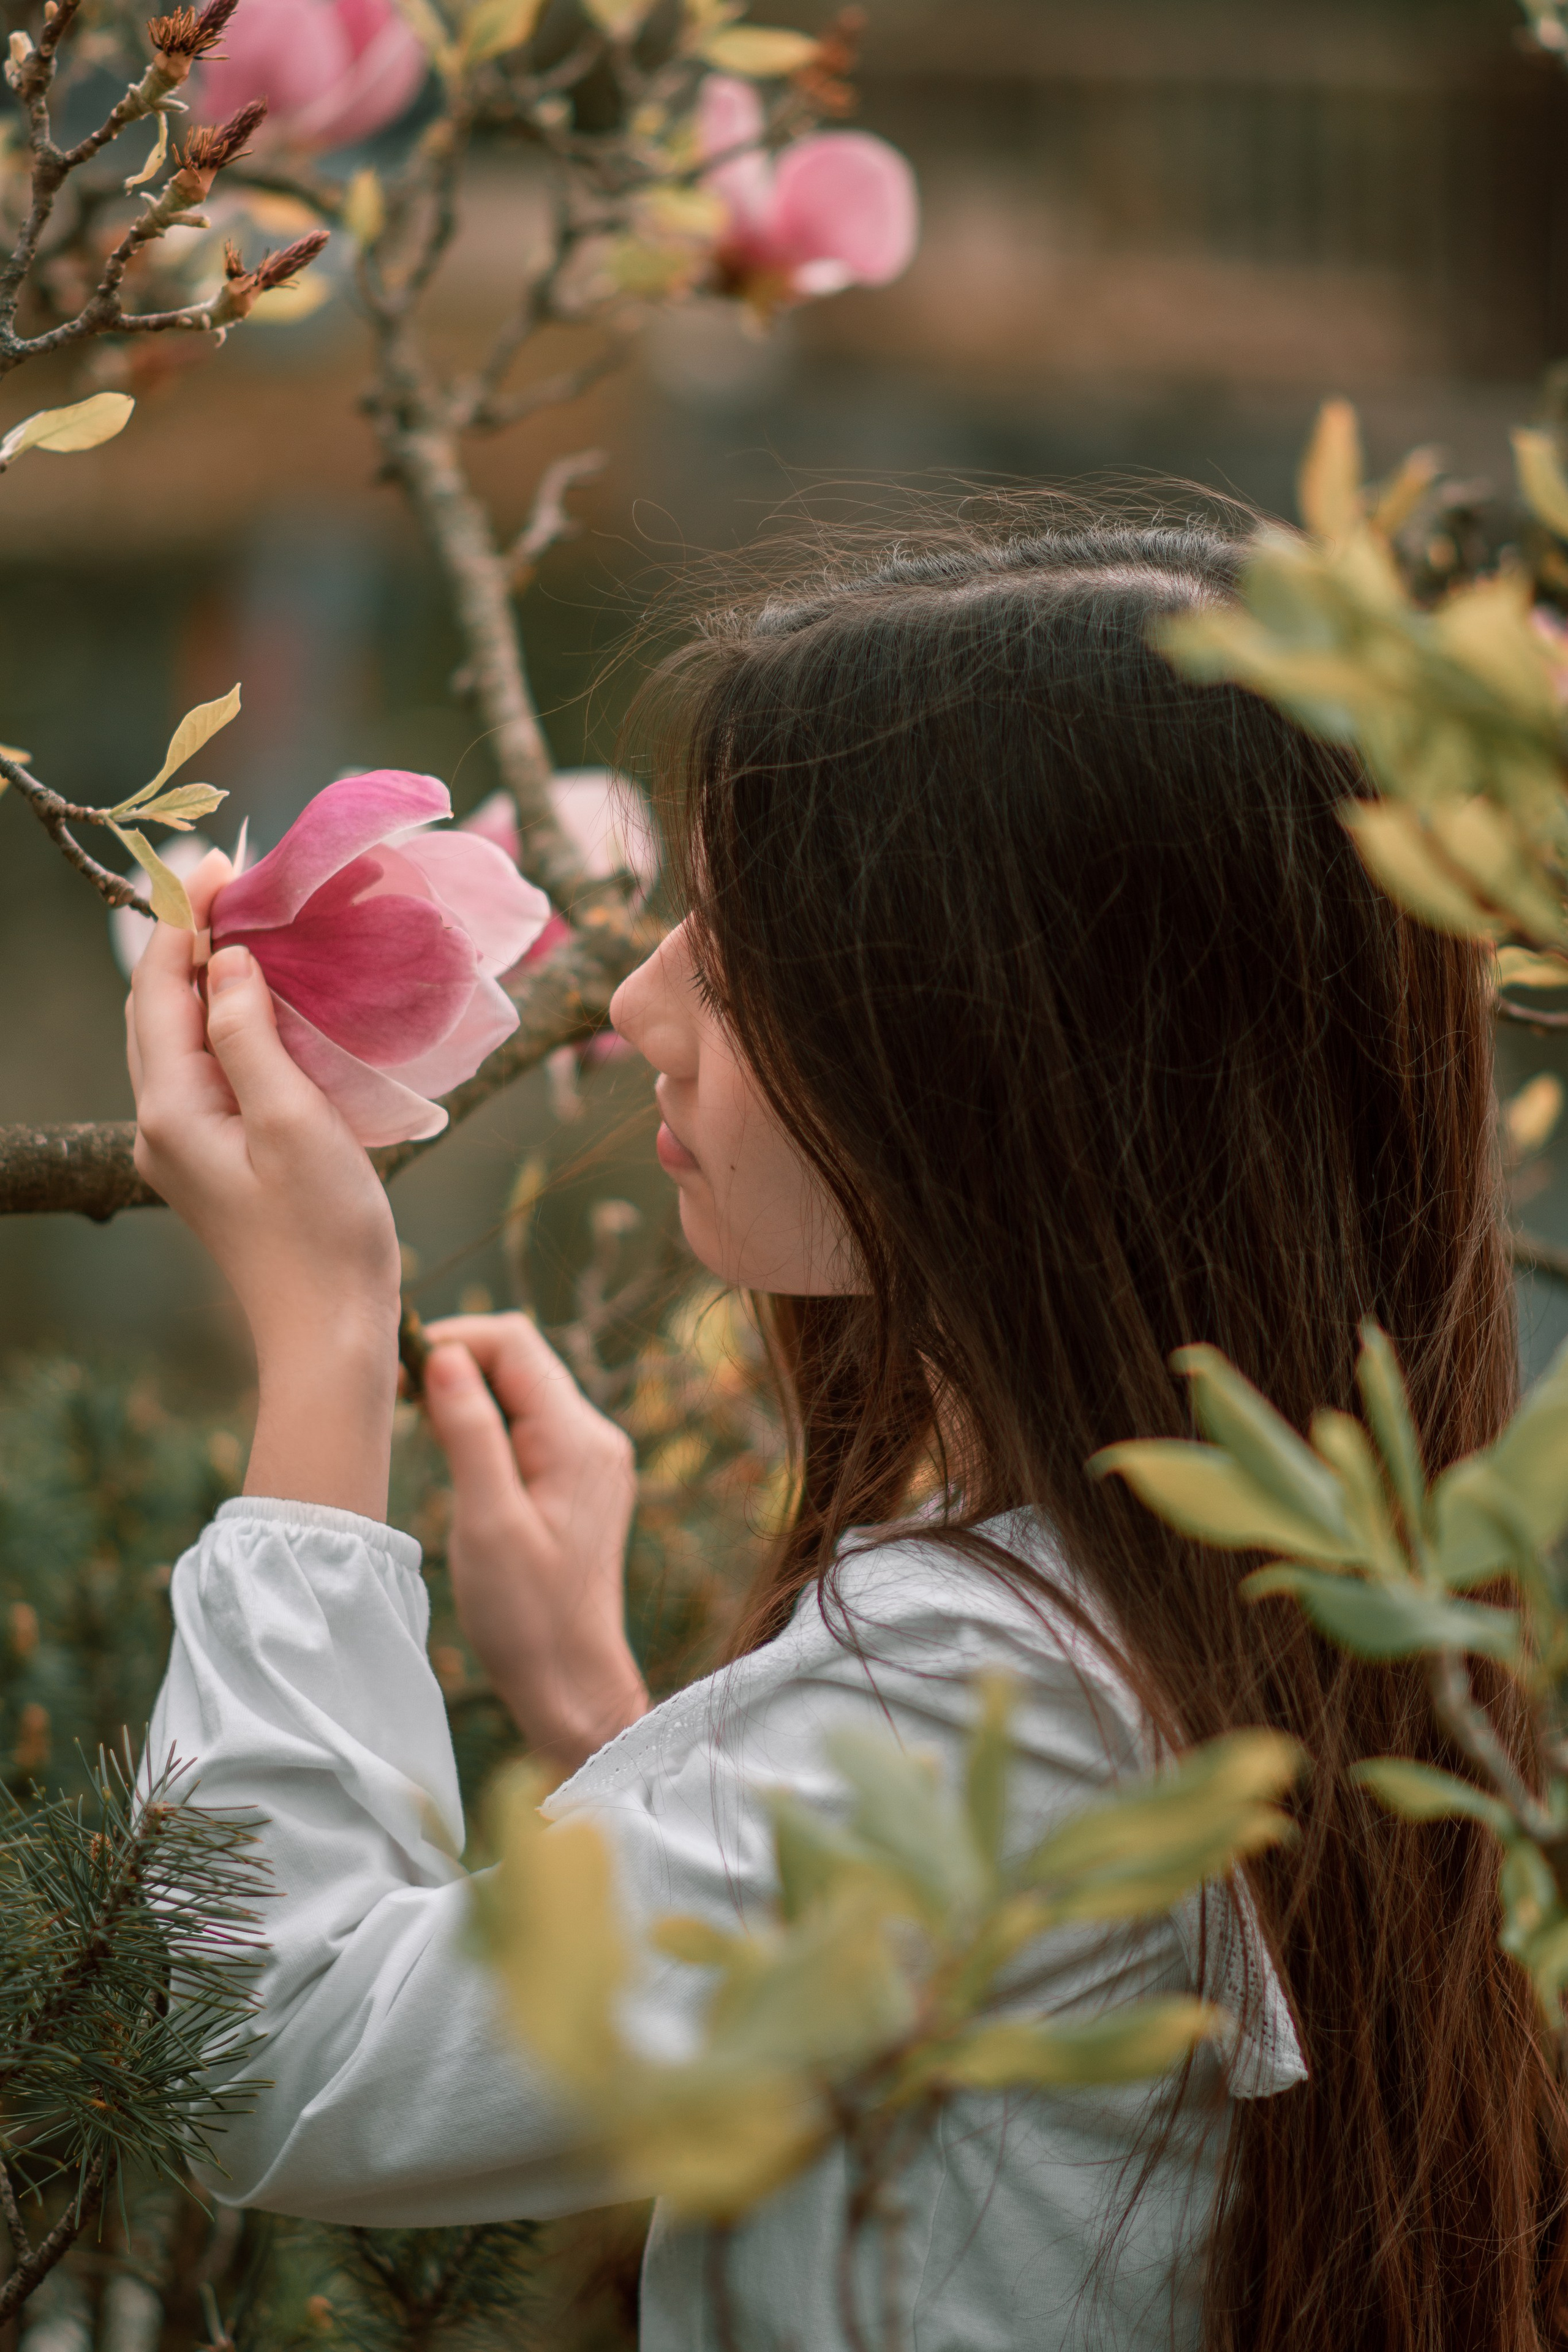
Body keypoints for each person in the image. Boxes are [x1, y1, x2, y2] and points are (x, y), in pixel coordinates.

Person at [133, 514, 1567, 2352]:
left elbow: (271, 2058)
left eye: (731, 965)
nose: (637, 1006)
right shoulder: (1212, 1608)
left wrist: (321, 1348)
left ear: (991, 1064)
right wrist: (617, 1728)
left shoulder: (996, 1697)